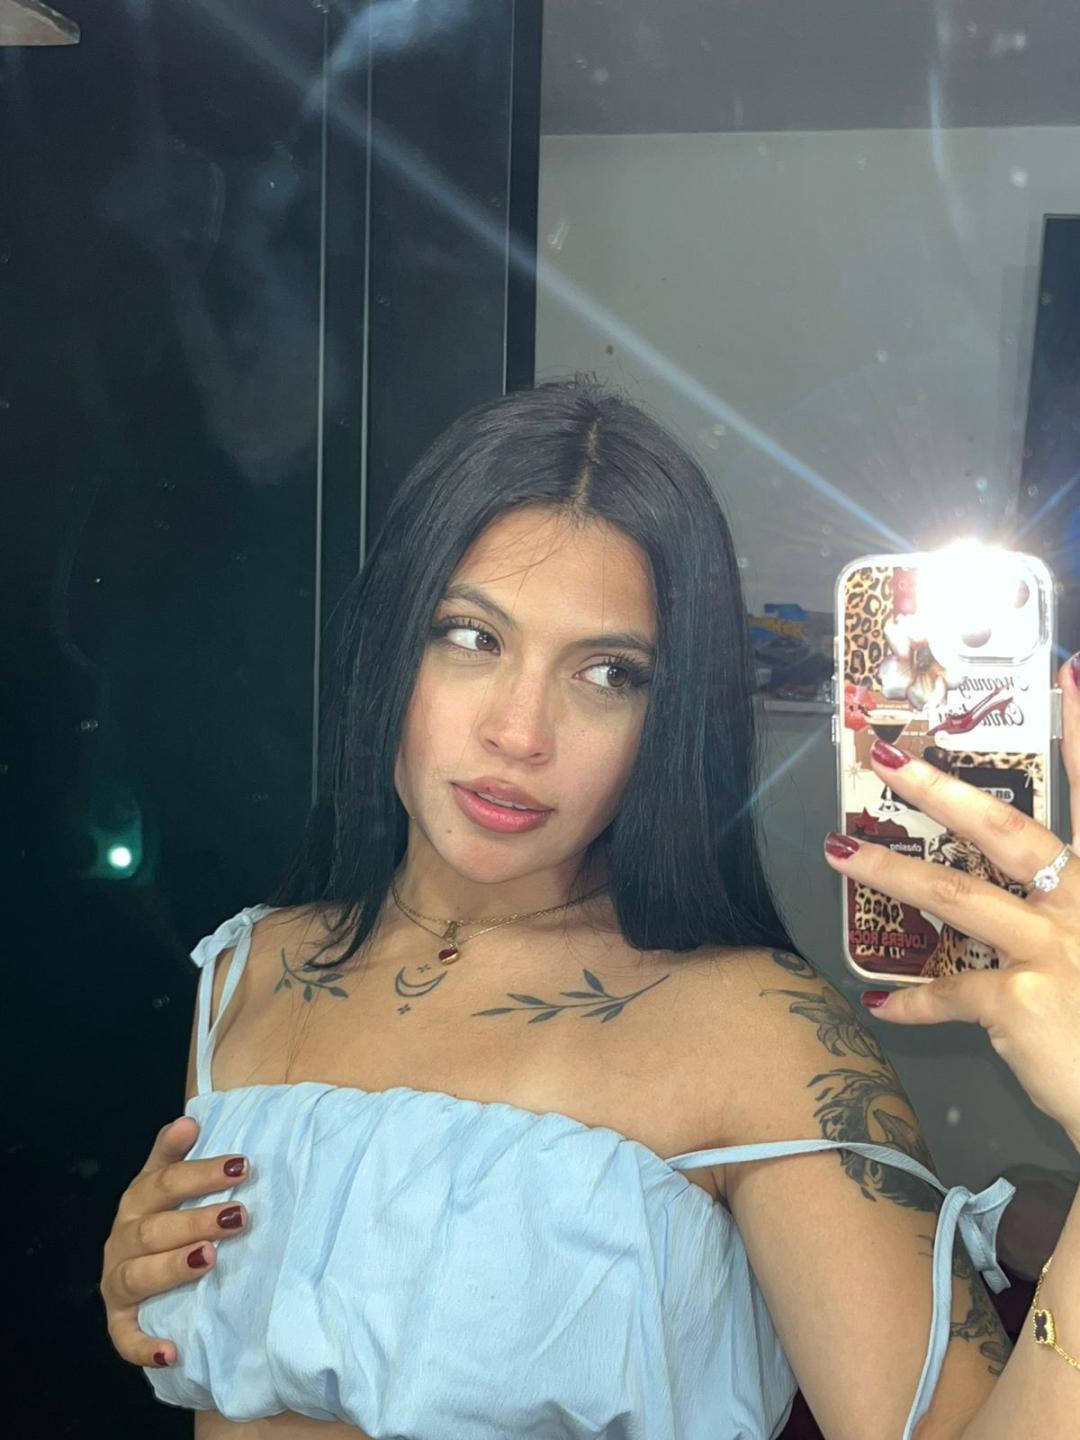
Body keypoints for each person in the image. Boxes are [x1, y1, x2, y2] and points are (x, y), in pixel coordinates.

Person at [99, 377, 1080, 1439]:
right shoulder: (249, 970)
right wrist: (152, 1296)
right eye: (471, 636)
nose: (520, 732)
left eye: (609, 673)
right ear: (390, 642)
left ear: (671, 717)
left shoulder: (760, 1036)